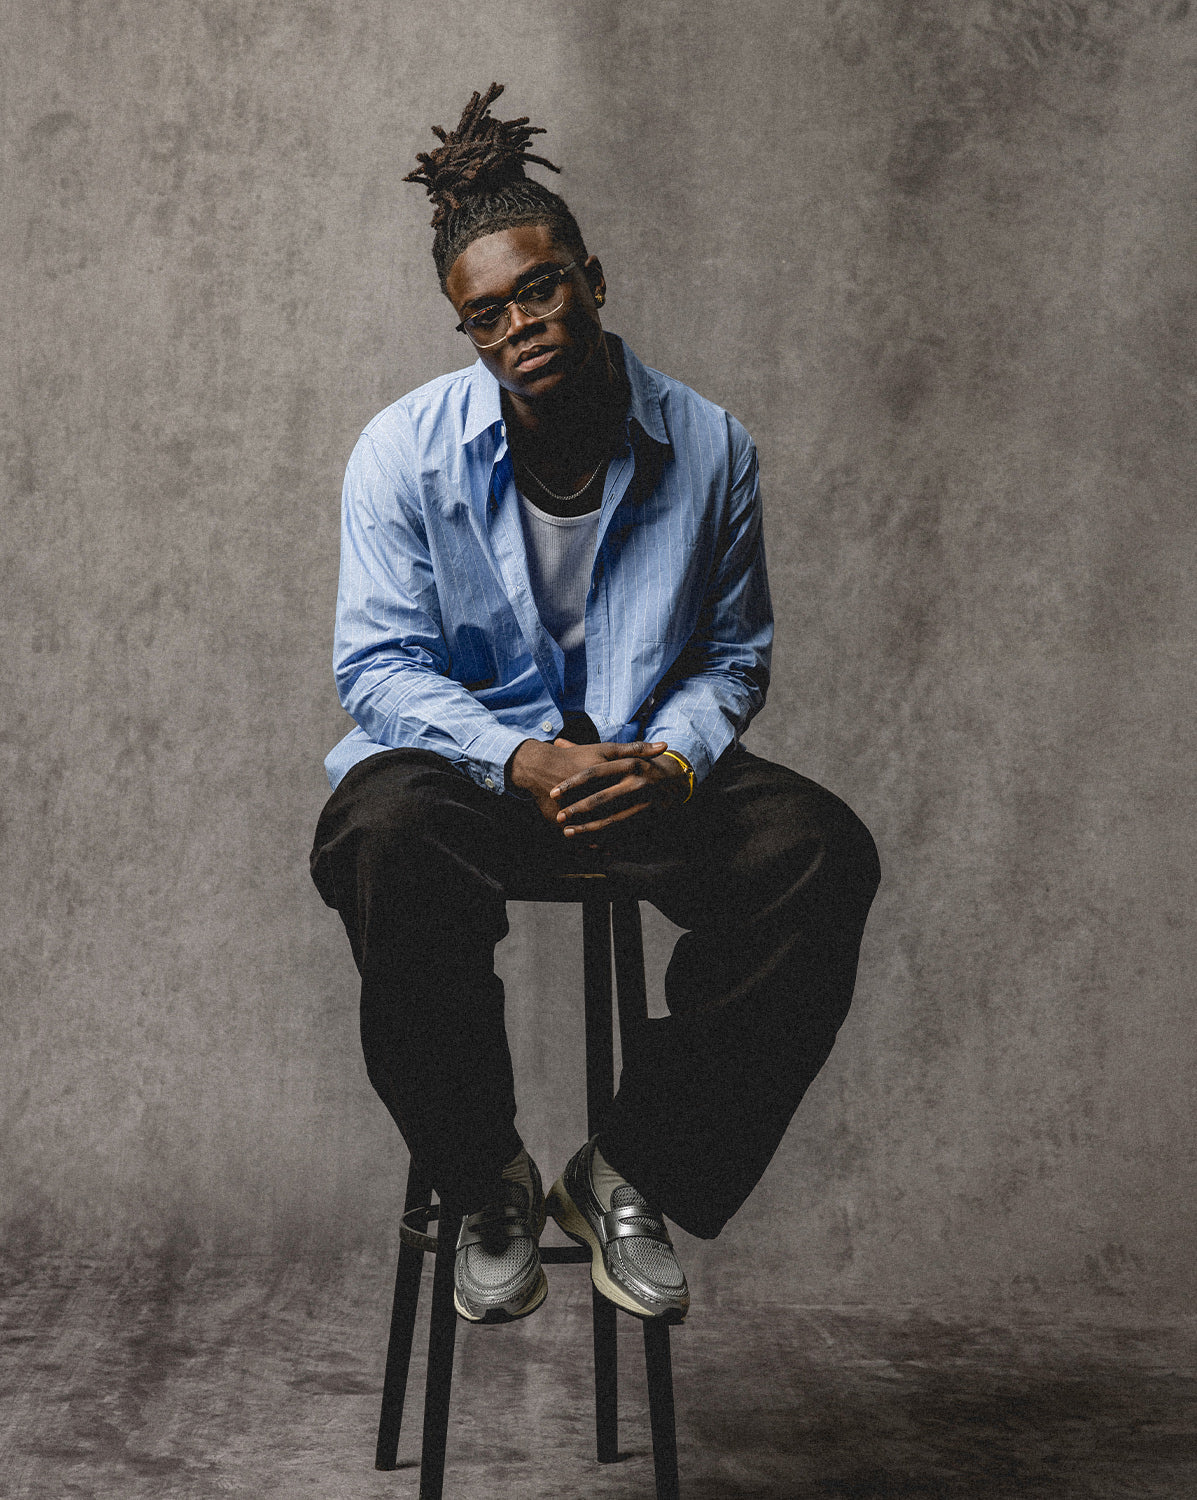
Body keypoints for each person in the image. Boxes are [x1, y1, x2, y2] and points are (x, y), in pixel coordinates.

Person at [310, 84, 880, 1328]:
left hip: (639, 776)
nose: (520, 326)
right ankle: (484, 1181)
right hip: (475, 783)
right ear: (465, 329)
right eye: (486, 314)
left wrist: (670, 763)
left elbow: (733, 657)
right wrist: (519, 759)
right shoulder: (401, 453)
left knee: (821, 854)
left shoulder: (712, 447)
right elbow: (381, 668)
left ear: (594, 278)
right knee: (381, 835)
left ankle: (631, 1169)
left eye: (542, 290)